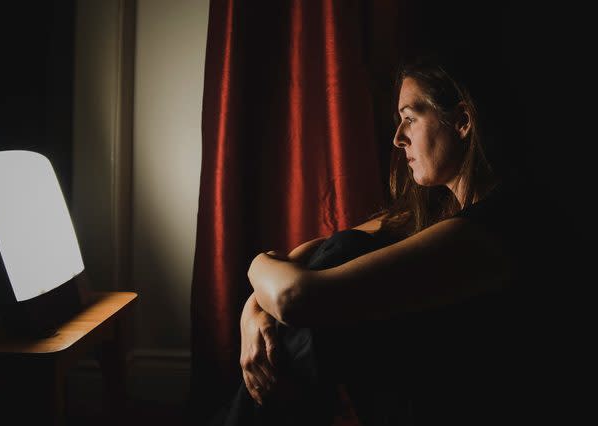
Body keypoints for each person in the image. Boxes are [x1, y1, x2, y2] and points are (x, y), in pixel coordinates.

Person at [213, 54, 547, 426]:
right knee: (338, 251)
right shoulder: (427, 216)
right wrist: (253, 312)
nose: (397, 138)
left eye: (410, 119)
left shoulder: (482, 235)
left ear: (463, 121)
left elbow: (295, 297)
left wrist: (256, 266)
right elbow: (298, 259)